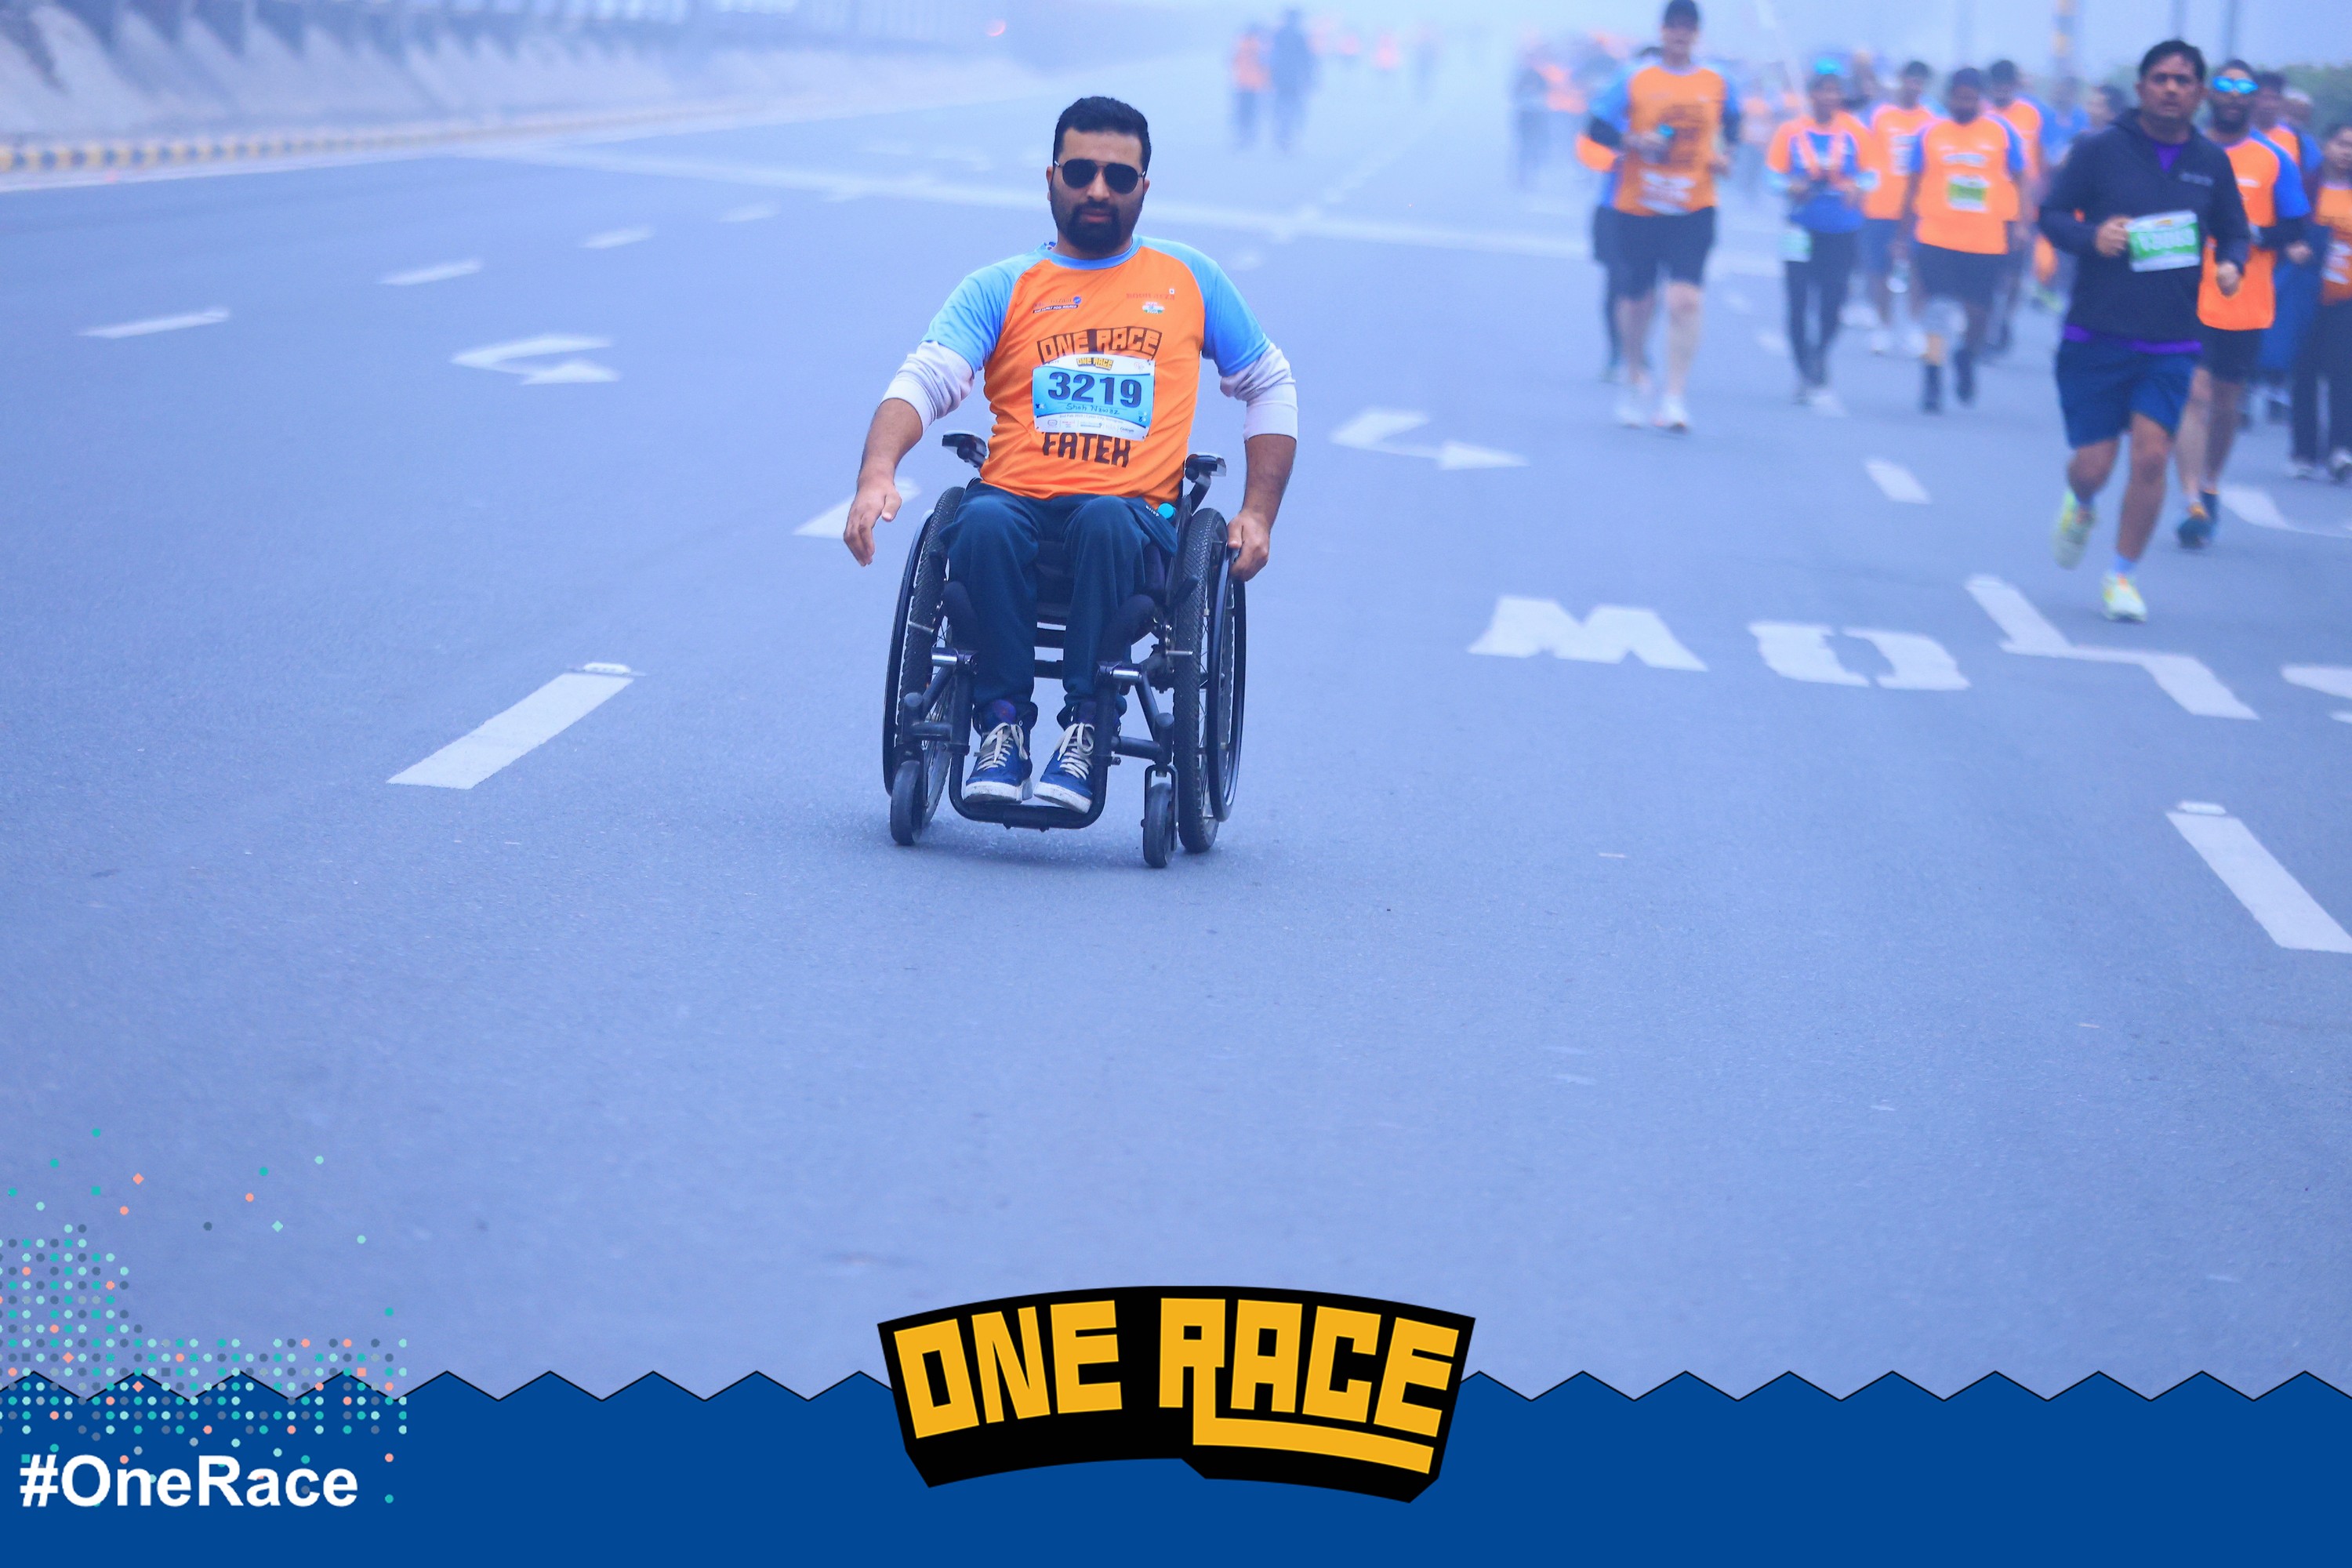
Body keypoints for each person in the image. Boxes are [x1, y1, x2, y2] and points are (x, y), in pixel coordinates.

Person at [843, 97, 1299, 811]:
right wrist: (878, 473)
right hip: (1015, 501)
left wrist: (1258, 513)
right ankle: (1001, 728)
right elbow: (926, 379)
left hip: (1132, 519)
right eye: (1081, 172)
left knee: (1105, 520)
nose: (1098, 190)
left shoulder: (1191, 280)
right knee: (980, 522)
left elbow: (1268, 381)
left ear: (1144, 187)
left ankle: (1088, 727)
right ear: (1051, 177)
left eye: (1120, 177)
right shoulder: (1001, 285)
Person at [2040, 42, 2249, 623]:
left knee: (2153, 457)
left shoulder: (2210, 162)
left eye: (2183, 80)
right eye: (2160, 78)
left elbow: (2235, 231)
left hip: (2171, 339)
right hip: (2096, 333)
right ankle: (2081, 503)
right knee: (2093, 466)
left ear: (2199, 93)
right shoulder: (2099, 149)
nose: (2171, 88)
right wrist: (2092, 238)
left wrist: (2232, 264)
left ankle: (2121, 577)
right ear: (2141, 88)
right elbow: (2050, 215)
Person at [2169, 60, 2311, 547]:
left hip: (2245, 297)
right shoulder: (2184, 150)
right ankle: (2191, 499)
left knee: (2226, 402)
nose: (2233, 94)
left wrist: (2252, 234)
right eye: (2225, 85)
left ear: (2254, 97)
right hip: (2187, 294)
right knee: (2196, 394)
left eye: (2243, 87)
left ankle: (2210, 483)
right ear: (2209, 93)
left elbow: (2295, 227)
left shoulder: (2274, 160)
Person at [1584, 0, 1741, 432]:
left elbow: (1733, 123)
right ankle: (1634, 376)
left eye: (1688, 27)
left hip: (1694, 205)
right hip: (1638, 205)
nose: (1680, 34)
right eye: (1673, 26)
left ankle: (1674, 396)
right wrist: (1634, 140)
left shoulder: (1718, 81)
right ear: (1662, 31)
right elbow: (1596, 126)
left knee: (1685, 300)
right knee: (1638, 300)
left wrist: (1726, 154)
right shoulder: (1634, 77)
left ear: (1696, 34)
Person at [1900, 67, 2027, 413]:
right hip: (1936, 236)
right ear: (1949, 97)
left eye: (1971, 99)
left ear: (1981, 99)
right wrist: (1903, 234)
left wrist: (2021, 224)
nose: (1964, 105)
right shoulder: (1930, 133)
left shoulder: (2002, 133)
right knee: (1937, 308)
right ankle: (1932, 376)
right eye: (1959, 98)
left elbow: (2020, 178)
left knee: (1979, 314)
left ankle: (1966, 357)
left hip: (1986, 240)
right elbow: (1912, 184)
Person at [1767, 65, 1875, 401]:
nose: (1829, 98)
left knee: (1834, 300)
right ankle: (1803, 368)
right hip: (1799, 226)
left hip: (1842, 228)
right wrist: (1790, 186)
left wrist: (1858, 187)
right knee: (1798, 300)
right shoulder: (1791, 132)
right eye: (1823, 91)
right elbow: (1772, 176)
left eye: (1835, 92)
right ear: (1811, 95)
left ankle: (1820, 352)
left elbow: (1873, 174)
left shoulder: (1856, 132)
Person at [2289, 122, 2352, 480]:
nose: (2347, 152)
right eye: (2342, 143)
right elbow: (2287, 227)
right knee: (2305, 371)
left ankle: (2341, 448)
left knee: (2345, 372)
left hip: (2347, 295)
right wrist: (2293, 246)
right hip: (2307, 292)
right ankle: (2303, 452)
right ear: (2326, 145)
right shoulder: (2306, 186)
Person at [1861, 60, 1936, 355]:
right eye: (1910, 80)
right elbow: (1864, 154)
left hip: (1918, 210)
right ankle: (1884, 326)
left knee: (1917, 270)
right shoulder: (1880, 116)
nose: (1914, 87)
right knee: (1879, 269)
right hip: (1881, 206)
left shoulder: (1931, 121)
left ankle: (1914, 326)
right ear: (1901, 80)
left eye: (1920, 82)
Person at [1984, 60, 2046, 355]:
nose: (2002, 91)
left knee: (2014, 274)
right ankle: (1986, 324)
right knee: (1989, 273)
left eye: (2007, 86)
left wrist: (2038, 200)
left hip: (2021, 207)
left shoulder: (2030, 115)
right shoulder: (1982, 114)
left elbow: (2038, 160)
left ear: (2015, 86)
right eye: (1997, 86)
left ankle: (2004, 320)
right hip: (1987, 210)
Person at [1269, 9, 1316, 154]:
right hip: (1293, 78)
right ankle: (1289, 136)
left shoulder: (1278, 34)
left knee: (1281, 106)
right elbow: (1306, 59)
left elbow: (1271, 56)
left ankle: (1282, 135)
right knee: (1294, 107)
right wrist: (1309, 77)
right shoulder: (1299, 36)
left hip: (1279, 77)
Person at [1231, 27, 1271, 150]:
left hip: (1242, 84)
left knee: (1242, 113)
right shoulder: (1261, 45)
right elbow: (1266, 65)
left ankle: (1241, 136)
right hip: (1256, 85)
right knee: (1254, 112)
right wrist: (1267, 83)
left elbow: (1232, 61)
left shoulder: (1239, 43)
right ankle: (1250, 137)